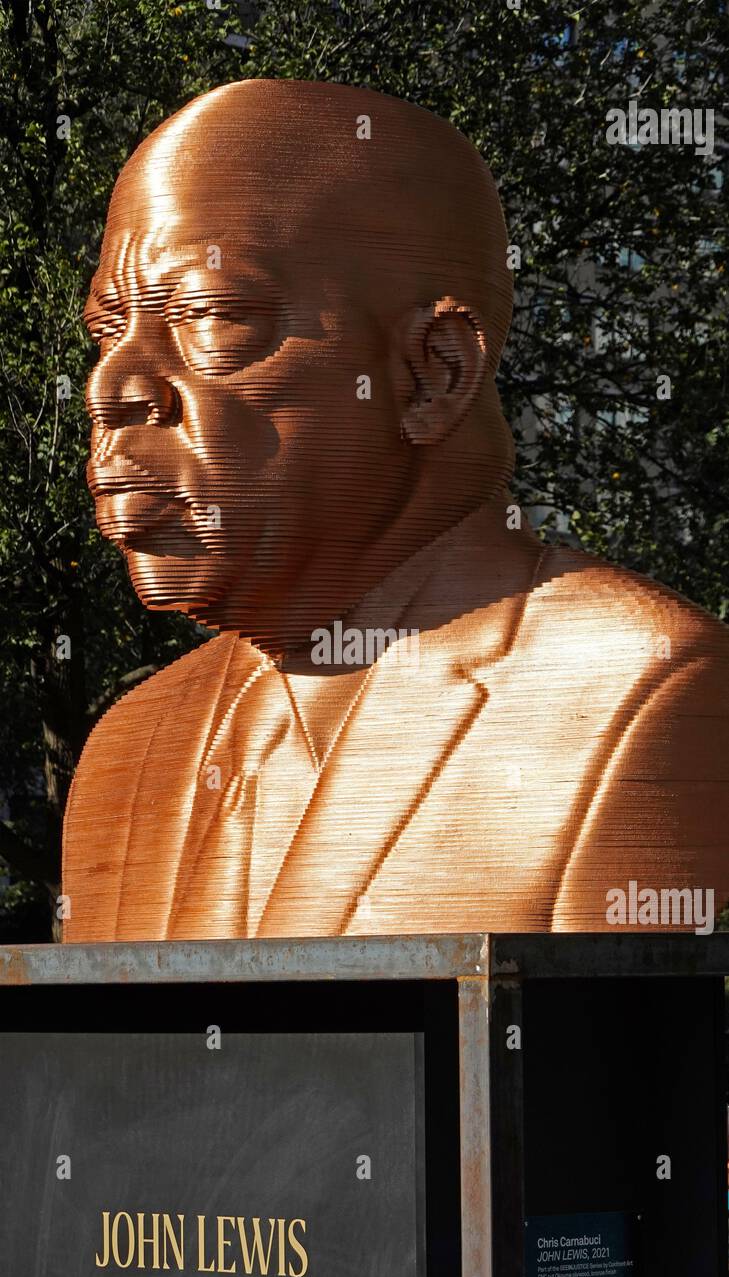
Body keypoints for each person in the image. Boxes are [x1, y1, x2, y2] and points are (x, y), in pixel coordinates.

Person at [62, 79, 729, 941]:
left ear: (433, 374)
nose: (112, 387)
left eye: (214, 318)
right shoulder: (128, 750)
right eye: (106, 330)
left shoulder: (647, 692)